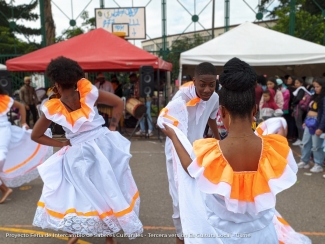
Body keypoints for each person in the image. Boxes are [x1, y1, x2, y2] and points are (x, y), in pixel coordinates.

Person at [160, 57, 311, 244]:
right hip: (263, 237)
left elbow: (189, 167)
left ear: (222, 112)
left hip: (220, 238)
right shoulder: (274, 149)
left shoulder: (210, 154)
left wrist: (174, 137)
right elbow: (280, 126)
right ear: (255, 110)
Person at [31, 56, 143, 244]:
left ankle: (74, 231)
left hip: (77, 153)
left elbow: (36, 135)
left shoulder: (53, 107)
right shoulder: (89, 93)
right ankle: (109, 237)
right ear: (77, 78)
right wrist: (113, 127)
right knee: (107, 189)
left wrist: (62, 144)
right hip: (103, 146)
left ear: (56, 84)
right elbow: (118, 103)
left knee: (77, 192)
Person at [158, 62, 220, 244]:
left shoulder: (215, 98)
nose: (207, 89)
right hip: (177, 152)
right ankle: (181, 236)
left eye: (212, 85)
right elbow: (164, 123)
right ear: (194, 81)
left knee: (202, 198)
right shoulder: (181, 99)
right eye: (203, 84)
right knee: (180, 200)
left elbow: (212, 119)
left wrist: (219, 140)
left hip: (198, 152)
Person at [0, 86, 52, 204]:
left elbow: (21, 107)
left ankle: (5, 189)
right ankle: (4, 188)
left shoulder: (4, 99)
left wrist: (23, 122)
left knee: (1, 156)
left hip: (3, 131)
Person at [297, 78, 325, 173]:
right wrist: (305, 121)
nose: (316, 88)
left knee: (316, 145)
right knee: (305, 142)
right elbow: (309, 110)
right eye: (315, 86)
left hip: (317, 123)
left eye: (318, 86)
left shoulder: (323, 98)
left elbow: (324, 114)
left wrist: (321, 127)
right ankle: (304, 161)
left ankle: (318, 164)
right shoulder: (314, 96)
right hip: (309, 121)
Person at [292, 78, 310, 146]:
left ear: (301, 84)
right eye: (295, 83)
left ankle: (301, 139)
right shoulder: (302, 89)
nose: (296, 84)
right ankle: (301, 139)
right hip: (300, 108)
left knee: (298, 124)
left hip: (298, 109)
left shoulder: (301, 89)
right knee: (299, 123)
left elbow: (298, 99)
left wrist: (293, 103)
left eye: (297, 83)